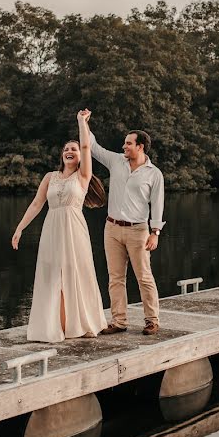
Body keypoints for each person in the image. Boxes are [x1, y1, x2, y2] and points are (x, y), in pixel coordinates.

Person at [12, 110, 108, 342]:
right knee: (52, 274)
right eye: (66, 149)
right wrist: (20, 228)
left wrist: (81, 123)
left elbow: (87, 148)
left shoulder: (83, 176)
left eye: (73, 149)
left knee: (75, 273)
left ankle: (78, 324)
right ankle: (57, 325)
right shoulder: (49, 177)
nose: (69, 151)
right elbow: (37, 204)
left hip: (74, 229)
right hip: (52, 229)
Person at [89, 121, 165, 335]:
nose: (124, 147)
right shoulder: (117, 162)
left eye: (128, 143)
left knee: (144, 277)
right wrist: (84, 123)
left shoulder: (154, 174)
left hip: (138, 231)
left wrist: (155, 232)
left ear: (140, 146)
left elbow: (157, 205)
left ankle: (152, 320)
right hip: (112, 229)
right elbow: (94, 148)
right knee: (115, 277)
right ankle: (119, 321)